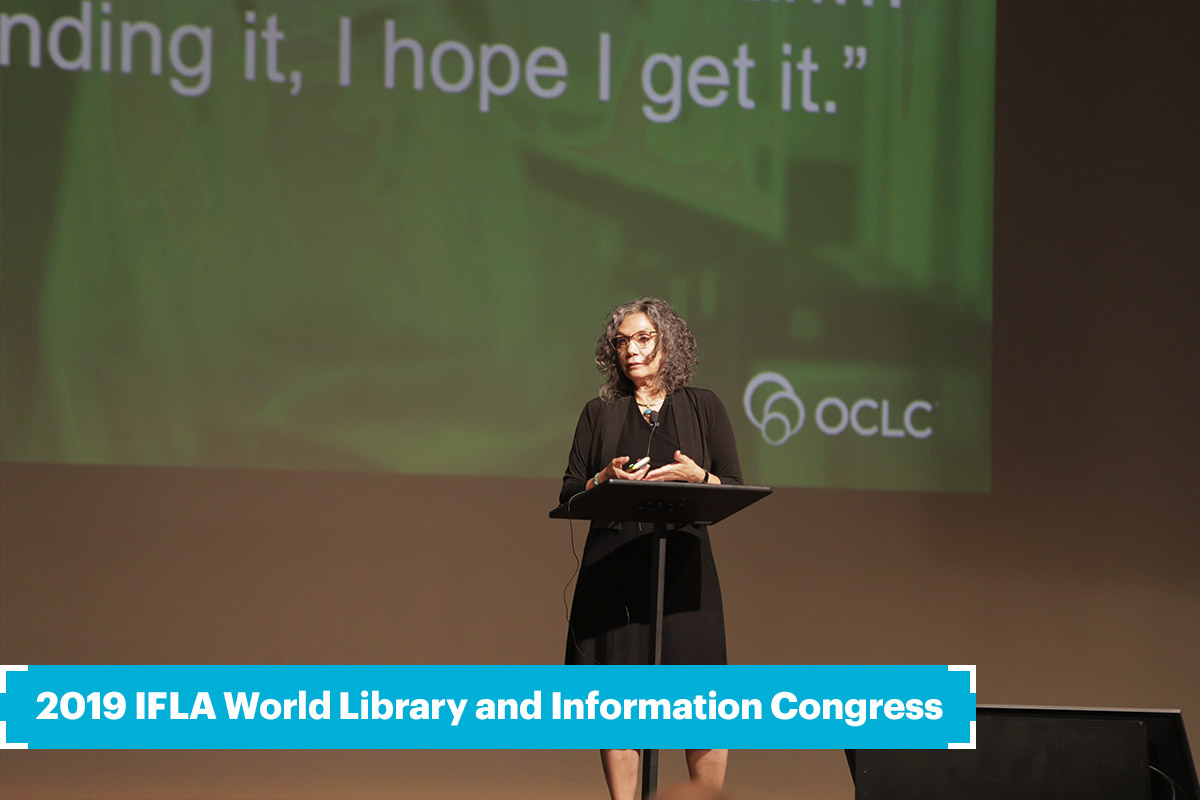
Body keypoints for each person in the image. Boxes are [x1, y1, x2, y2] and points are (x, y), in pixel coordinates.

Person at [560, 297, 744, 800]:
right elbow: (569, 490)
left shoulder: (703, 406)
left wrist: (698, 476)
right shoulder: (599, 413)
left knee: (704, 705)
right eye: (622, 342)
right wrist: (603, 478)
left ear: (668, 342)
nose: (631, 350)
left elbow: (732, 484)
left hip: (683, 570)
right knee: (618, 707)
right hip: (614, 570)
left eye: (643, 338)